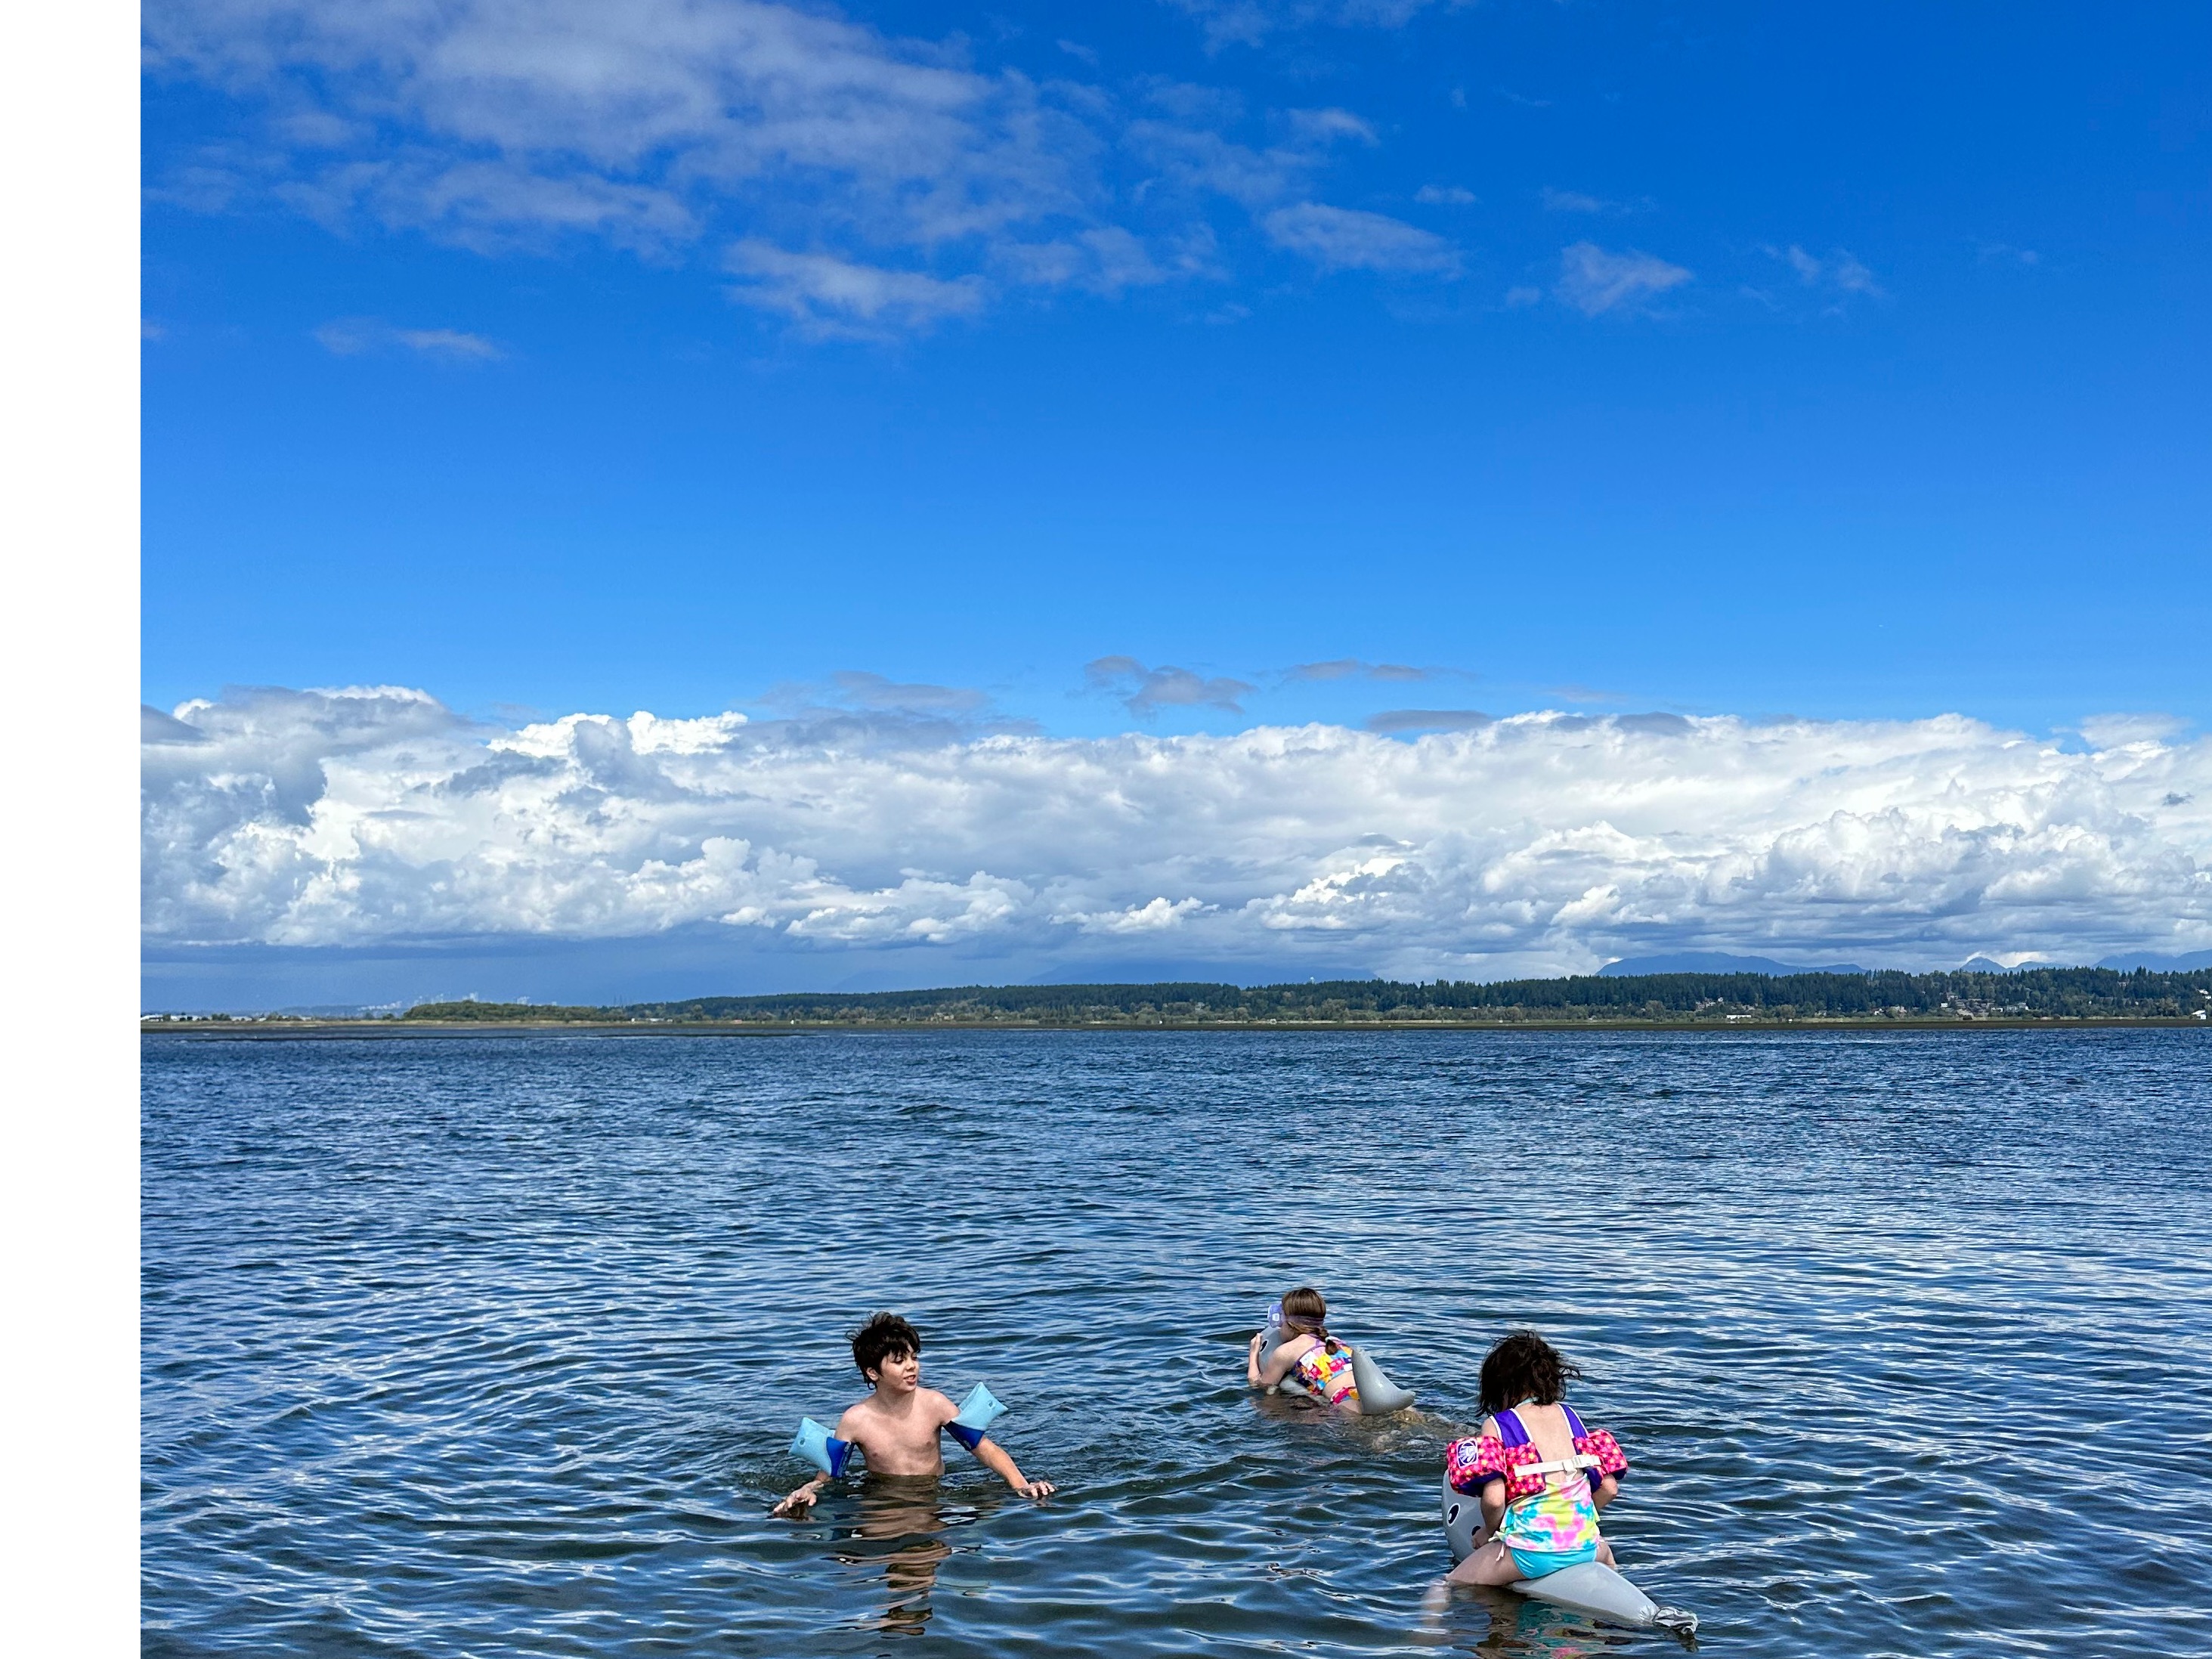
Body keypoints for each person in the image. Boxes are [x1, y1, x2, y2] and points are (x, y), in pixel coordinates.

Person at [772, 1312, 1054, 1518]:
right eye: (899, 1361)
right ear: (873, 1373)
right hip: (883, 1496)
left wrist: (1022, 1486)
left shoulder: (935, 1405)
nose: (911, 1366)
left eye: (914, 1358)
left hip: (934, 1492)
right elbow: (829, 1475)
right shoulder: (856, 1420)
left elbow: (985, 1449)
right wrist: (807, 1489)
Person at [1443, 1329, 1630, 1586]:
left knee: (1447, 1584)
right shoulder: (1571, 1417)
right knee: (1610, 1565)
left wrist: (1489, 1532)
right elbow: (1609, 1488)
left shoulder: (1498, 1425)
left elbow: (1495, 1500)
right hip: (1588, 1548)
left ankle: (1440, 1614)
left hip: (1530, 1554)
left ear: (1500, 1385)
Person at [1245, 1286, 1362, 1407]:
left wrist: (1253, 1355)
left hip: (1342, 1402)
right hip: (1364, 1393)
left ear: (1289, 1323)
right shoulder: (1336, 1342)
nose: (1279, 1326)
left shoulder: (1286, 1351)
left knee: (1267, 1408)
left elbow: (1259, 1386)